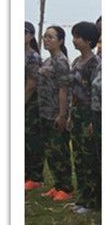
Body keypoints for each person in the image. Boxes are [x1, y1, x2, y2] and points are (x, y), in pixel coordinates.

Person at [36, 25, 74, 200]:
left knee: (59, 151)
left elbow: (63, 89)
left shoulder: (61, 61)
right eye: (45, 36)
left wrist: (62, 114)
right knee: (50, 151)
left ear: (60, 41)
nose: (46, 40)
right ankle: (57, 184)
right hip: (44, 112)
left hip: (56, 113)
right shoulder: (48, 60)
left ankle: (66, 188)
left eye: (50, 37)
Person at [69, 21, 101, 214]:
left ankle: (93, 201)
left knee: (90, 159)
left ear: (88, 41)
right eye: (73, 36)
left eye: (77, 37)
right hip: (76, 113)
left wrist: (91, 120)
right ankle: (82, 197)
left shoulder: (94, 64)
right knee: (79, 157)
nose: (74, 40)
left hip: (88, 114)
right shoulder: (75, 61)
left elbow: (93, 93)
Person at [24, 22, 44, 191]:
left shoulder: (32, 57)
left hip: (30, 104)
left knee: (32, 139)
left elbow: (31, 84)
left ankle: (35, 176)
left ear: (30, 36)